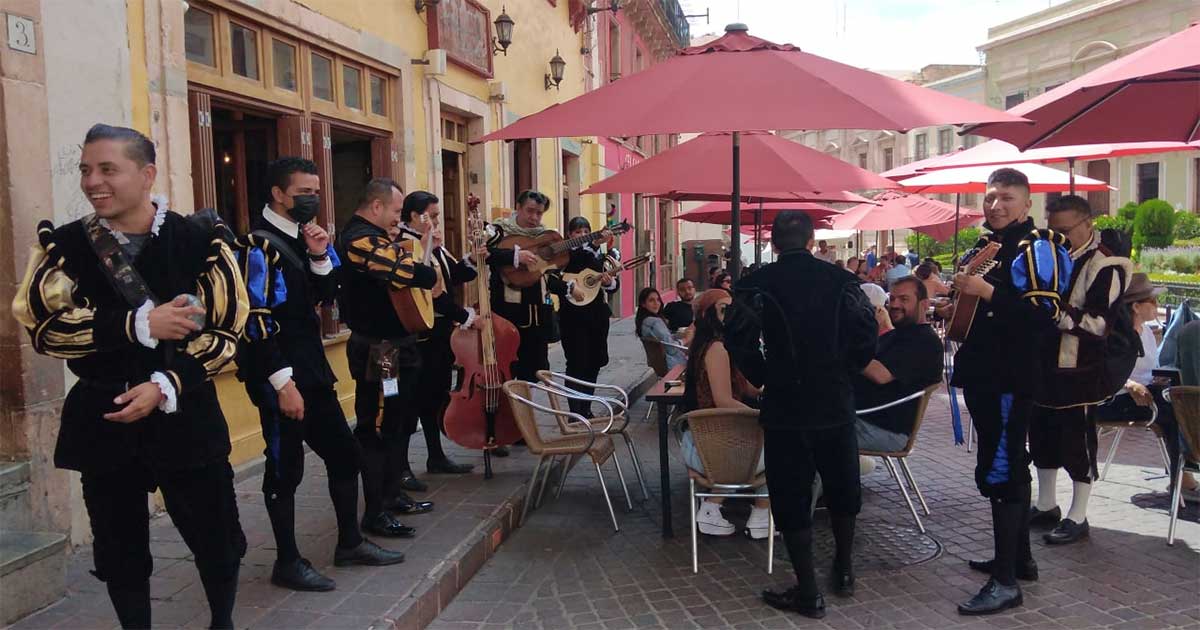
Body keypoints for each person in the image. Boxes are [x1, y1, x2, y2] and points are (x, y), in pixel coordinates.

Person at [13, 124, 248, 629]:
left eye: (107, 169)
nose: (92, 181)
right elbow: (45, 329)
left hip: (185, 413)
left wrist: (168, 383)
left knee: (217, 536)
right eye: (85, 170)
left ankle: (222, 623)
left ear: (146, 175)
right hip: (105, 414)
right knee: (119, 548)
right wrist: (137, 323)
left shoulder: (201, 241)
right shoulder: (65, 247)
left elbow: (228, 329)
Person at [233, 158, 403, 593]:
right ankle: (287, 561)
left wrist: (318, 254)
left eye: (315, 190)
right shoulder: (257, 246)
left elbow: (330, 297)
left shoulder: (304, 239)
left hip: (313, 369)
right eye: (304, 191)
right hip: (280, 377)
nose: (312, 198)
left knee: (344, 455)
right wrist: (281, 383)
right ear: (278, 194)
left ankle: (349, 543)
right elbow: (255, 319)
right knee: (284, 469)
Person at [729, 211, 877, 619]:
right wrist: (844, 372)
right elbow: (866, 335)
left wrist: (763, 375)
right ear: (812, 241)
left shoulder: (756, 283)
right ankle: (844, 569)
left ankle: (809, 591)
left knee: (791, 495)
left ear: (774, 243)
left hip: (786, 406)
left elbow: (736, 338)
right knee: (843, 485)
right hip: (833, 402)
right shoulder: (842, 281)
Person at [951, 168, 1047, 616]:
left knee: (1003, 468)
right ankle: (1018, 558)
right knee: (1002, 462)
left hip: (1010, 376)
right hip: (984, 374)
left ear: (1028, 204)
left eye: (1006, 198)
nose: (995, 205)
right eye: (990, 197)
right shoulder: (987, 245)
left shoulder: (1036, 247)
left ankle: (1005, 581)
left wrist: (984, 290)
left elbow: (1041, 317)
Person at [336, 178, 439, 540]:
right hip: (381, 351)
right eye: (396, 211)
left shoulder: (379, 238)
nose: (398, 218)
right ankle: (375, 511)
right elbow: (410, 272)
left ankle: (393, 494)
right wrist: (420, 264)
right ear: (376, 207)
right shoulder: (358, 238)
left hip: (395, 345)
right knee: (378, 426)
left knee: (397, 423)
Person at [1027, 195, 1132, 546]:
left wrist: (1058, 314)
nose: (1056, 237)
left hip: (1079, 368)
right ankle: (1046, 504)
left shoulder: (1106, 265)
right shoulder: (1051, 255)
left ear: (1088, 224)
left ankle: (1079, 514)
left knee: (1076, 439)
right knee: (1040, 433)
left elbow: (1100, 324)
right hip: (1044, 361)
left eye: (1064, 230)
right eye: (1051, 230)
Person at [396, 191, 481, 487]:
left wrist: (472, 259)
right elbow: (433, 295)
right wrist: (466, 317)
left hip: (440, 338)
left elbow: (453, 275)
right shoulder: (408, 246)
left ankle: (436, 455)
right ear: (412, 217)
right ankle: (401, 467)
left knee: (434, 397)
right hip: (419, 336)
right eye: (429, 216)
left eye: (435, 216)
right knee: (410, 402)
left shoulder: (435, 246)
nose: (434, 222)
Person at [1094, 275, 1198, 502]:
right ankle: (1183, 479)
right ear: (1136, 306)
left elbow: (1151, 369)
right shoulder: (1114, 336)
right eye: (1152, 300)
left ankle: (1183, 475)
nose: (1157, 305)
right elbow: (1101, 373)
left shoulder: (1148, 333)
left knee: (1177, 401)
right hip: (1115, 400)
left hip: (1145, 397)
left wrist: (1156, 381)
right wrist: (1131, 384)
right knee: (1175, 410)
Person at [678, 289, 770, 539]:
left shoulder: (714, 344)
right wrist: (761, 415)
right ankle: (757, 512)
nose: (731, 315)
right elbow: (723, 400)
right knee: (783, 447)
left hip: (706, 441)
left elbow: (745, 387)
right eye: (723, 309)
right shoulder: (716, 348)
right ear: (708, 315)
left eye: (732, 309)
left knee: (774, 442)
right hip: (710, 447)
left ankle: (726, 507)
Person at [484, 190, 581, 381]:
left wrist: (567, 287)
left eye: (539, 213)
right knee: (507, 373)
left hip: (538, 319)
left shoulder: (544, 237)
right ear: (518, 208)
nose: (534, 217)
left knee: (535, 375)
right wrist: (515, 256)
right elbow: (484, 255)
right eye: (530, 211)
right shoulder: (497, 232)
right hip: (508, 317)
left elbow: (545, 275)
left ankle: (526, 411)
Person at [853, 278, 943, 452]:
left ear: (924, 304)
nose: (894, 305)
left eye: (904, 299)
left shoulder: (925, 341)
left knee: (807, 431)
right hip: (860, 417)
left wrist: (840, 346)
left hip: (883, 429)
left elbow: (880, 375)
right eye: (892, 299)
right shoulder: (898, 334)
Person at [556, 216, 619, 417]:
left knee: (594, 361)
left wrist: (609, 283)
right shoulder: (564, 256)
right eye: (578, 232)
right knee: (577, 363)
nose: (582, 236)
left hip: (597, 316)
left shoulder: (598, 256)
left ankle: (587, 408)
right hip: (572, 318)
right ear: (570, 235)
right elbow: (574, 266)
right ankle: (575, 412)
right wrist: (592, 244)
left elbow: (612, 286)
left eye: (586, 232)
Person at [636, 288, 686, 370]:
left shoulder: (643, 322)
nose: (656, 303)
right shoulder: (655, 322)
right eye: (651, 300)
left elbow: (663, 338)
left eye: (658, 300)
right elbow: (671, 349)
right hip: (675, 364)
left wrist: (680, 335)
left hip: (662, 365)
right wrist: (686, 339)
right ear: (643, 304)